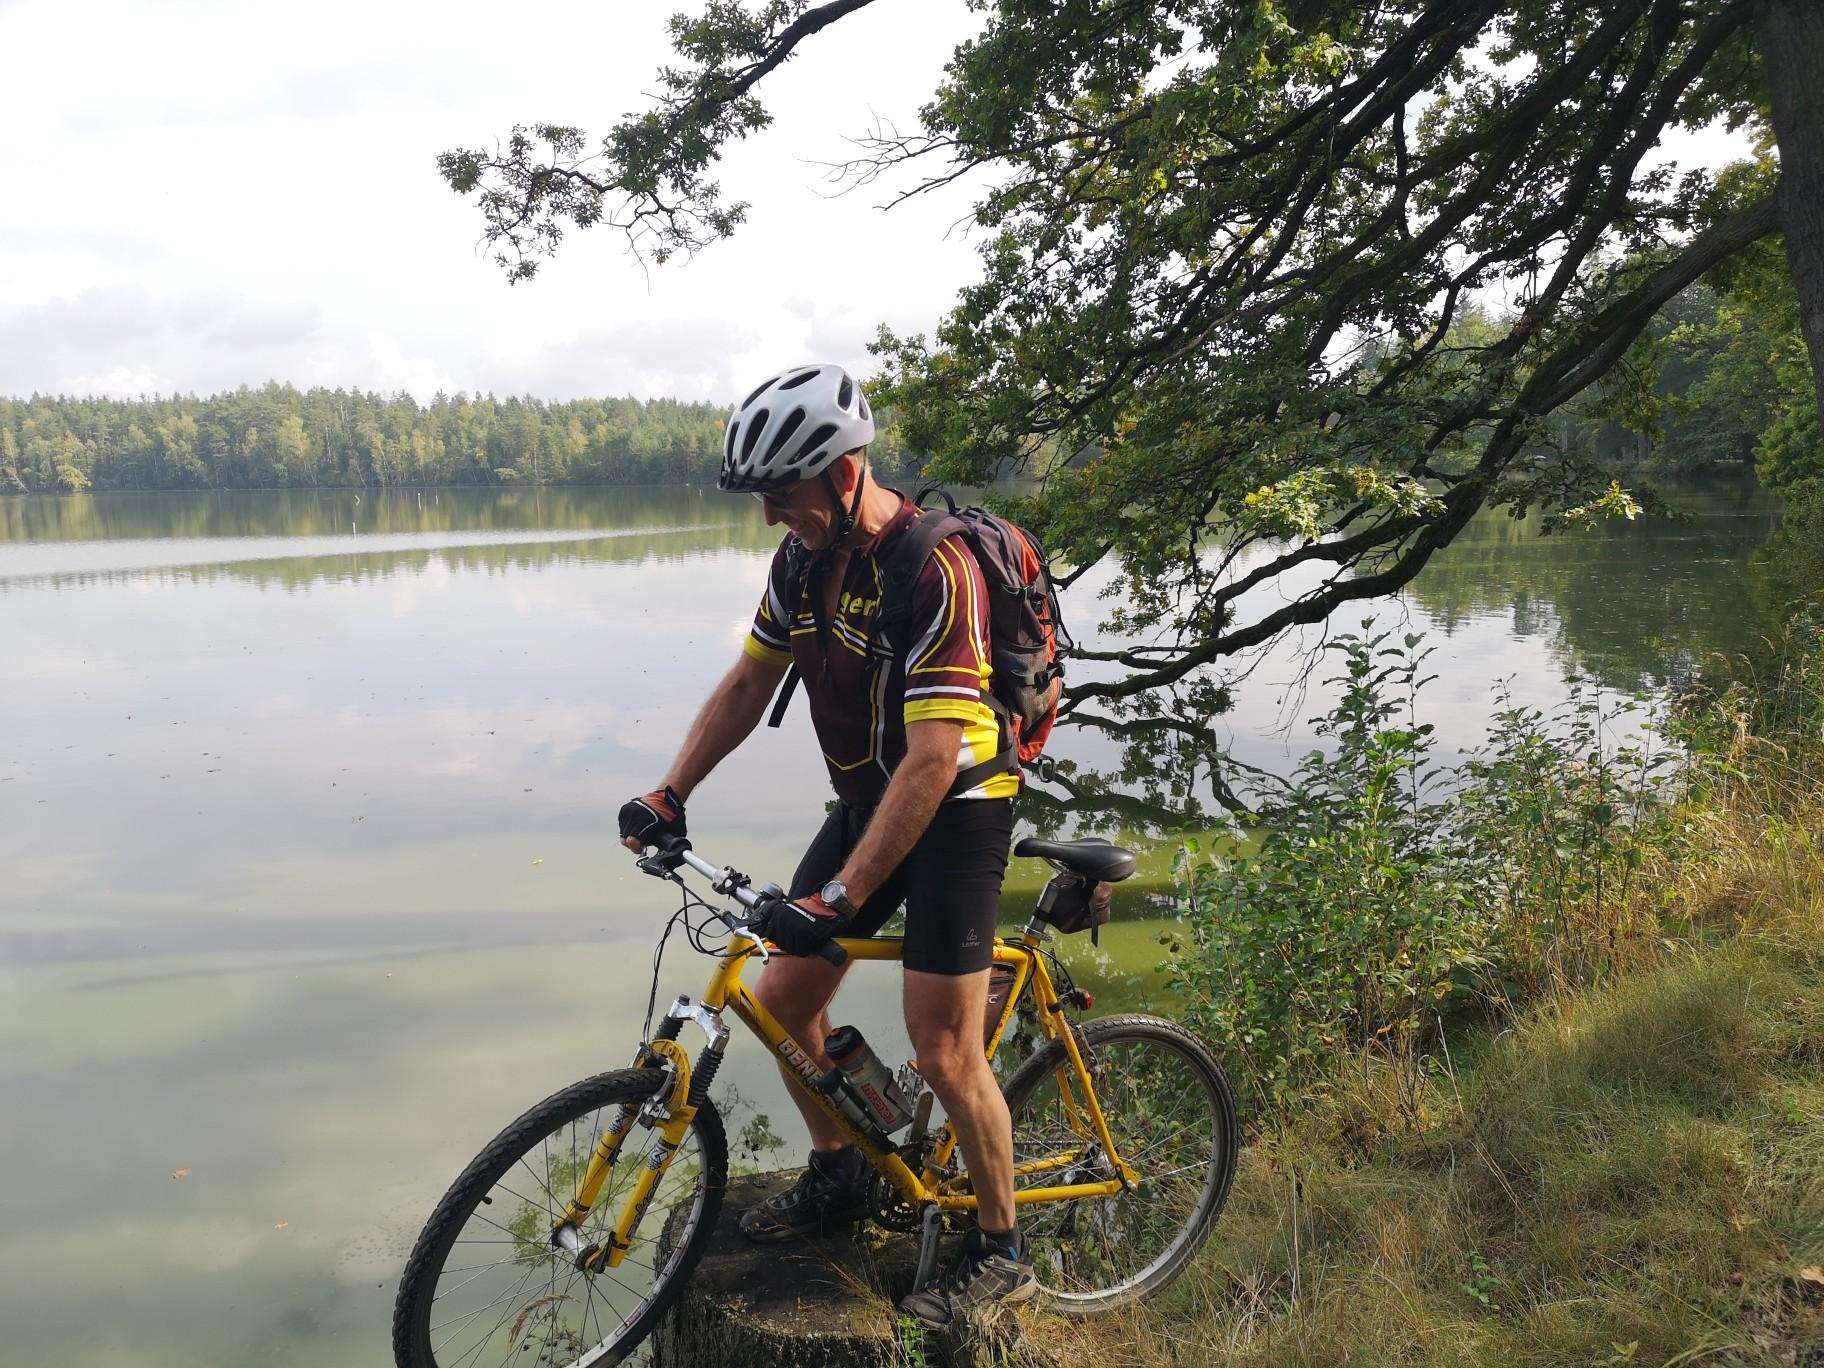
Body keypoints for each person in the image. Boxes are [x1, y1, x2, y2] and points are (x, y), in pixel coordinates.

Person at [617, 362, 1034, 1326]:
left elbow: (933, 758)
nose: (767, 516)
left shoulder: (938, 571)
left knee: (943, 1048)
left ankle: (1002, 1248)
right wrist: (671, 791)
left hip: (960, 803)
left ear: (845, 475)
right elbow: (749, 683)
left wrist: (839, 897)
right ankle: (841, 1170)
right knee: (784, 999)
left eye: (780, 494)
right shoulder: (802, 563)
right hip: (871, 798)